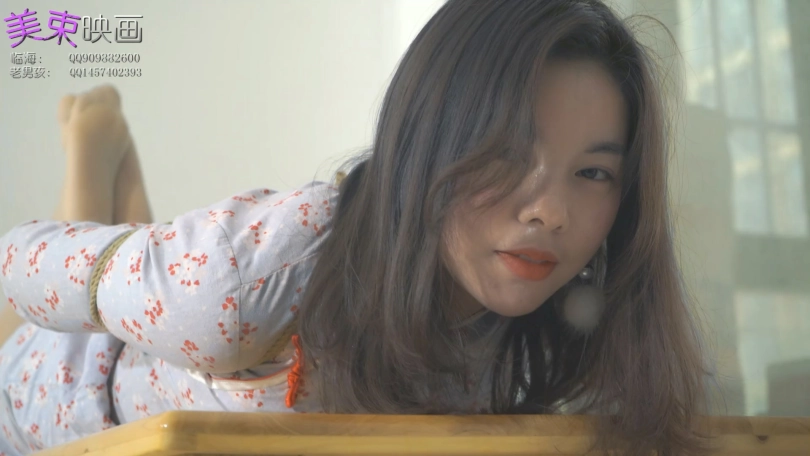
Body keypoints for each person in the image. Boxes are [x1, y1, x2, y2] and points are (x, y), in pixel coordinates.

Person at [0, 1, 713, 455]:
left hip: (177, 361)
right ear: (427, 138)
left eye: (593, 173)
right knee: (95, 291)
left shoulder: (555, 306)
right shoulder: (237, 284)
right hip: (54, 397)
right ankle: (91, 143)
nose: (550, 211)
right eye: (509, 152)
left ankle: (104, 145)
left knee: (140, 283)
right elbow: (15, 262)